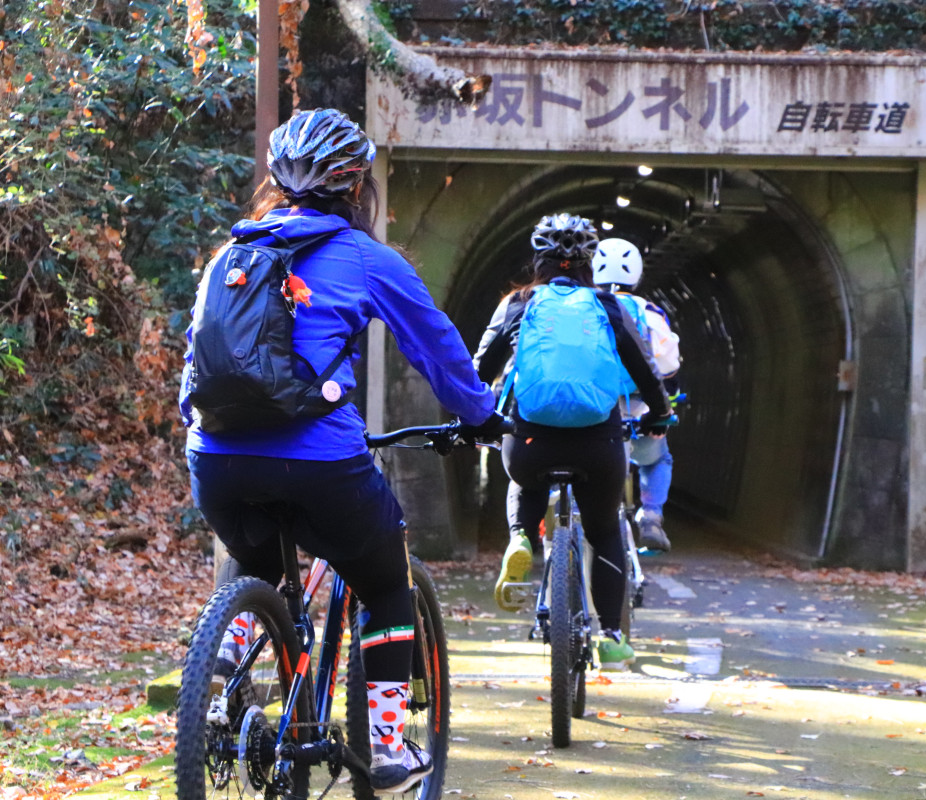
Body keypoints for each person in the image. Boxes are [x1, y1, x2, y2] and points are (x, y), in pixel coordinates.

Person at [178, 108, 503, 793]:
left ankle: (233, 643)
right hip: (321, 458)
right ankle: (385, 747)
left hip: (215, 458)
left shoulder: (227, 257)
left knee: (259, 549)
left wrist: (206, 428)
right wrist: (479, 416)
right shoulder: (363, 256)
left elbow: (195, 366)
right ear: (356, 186)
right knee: (386, 582)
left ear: (277, 180)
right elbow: (436, 345)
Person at [474, 213, 673, 670]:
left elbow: (480, 369)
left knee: (522, 482)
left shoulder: (518, 303)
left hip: (531, 441)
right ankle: (611, 635)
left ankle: (521, 537)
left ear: (539, 260)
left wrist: (473, 419)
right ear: (589, 263)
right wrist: (660, 414)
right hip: (597, 443)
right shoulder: (606, 306)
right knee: (605, 532)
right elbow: (644, 368)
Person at [591, 237, 682, 552]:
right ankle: (651, 515)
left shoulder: (582, 306)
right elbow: (668, 365)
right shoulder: (649, 312)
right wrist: (666, 406)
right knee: (659, 458)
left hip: (589, 410)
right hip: (638, 411)